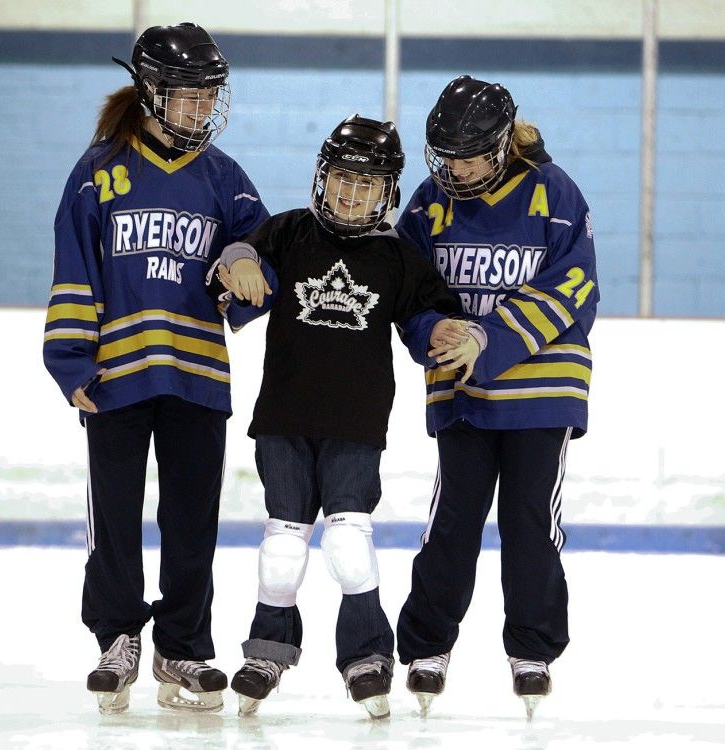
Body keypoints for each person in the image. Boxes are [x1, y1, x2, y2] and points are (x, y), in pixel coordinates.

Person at [208, 115, 472, 719]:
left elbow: (423, 318)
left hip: (356, 424)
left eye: (368, 184)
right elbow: (248, 264)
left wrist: (443, 329)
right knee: (284, 545)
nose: (352, 195)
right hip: (283, 417)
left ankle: (367, 654)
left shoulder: (398, 257)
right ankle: (269, 647)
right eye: (343, 179)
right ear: (322, 178)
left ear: (388, 192)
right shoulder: (290, 232)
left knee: (350, 544)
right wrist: (239, 263)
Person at [42, 22, 270, 715]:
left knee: (192, 522)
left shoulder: (223, 176)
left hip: (197, 376)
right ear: (152, 93)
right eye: (191, 96)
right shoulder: (98, 171)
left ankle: (183, 645)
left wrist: (249, 263)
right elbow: (75, 270)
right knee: (113, 516)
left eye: (210, 98)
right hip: (116, 376)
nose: (204, 110)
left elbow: (260, 251)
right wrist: (71, 359)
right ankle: (117, 638)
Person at [394, 75, 599, 719]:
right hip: (463, 396)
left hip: (542, 394)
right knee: (453, 521)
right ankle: (428, 644)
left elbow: (575, 289)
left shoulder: (555, 193)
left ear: (504, 141)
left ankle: (531, 647)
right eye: (447, 155)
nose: (458, 167)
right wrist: (434, 328)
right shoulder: (429, 205)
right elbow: (407, 293)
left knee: (529, 523)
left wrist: (492, 337)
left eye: (472, 154)